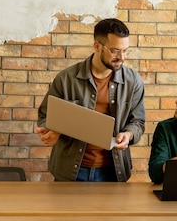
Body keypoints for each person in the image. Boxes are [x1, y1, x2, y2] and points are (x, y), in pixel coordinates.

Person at [36, 18, 145, 182]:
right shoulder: (66, 79)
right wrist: (51, 130)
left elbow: (138, 121)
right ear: (97, 46)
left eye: (126, 51)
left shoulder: (133, 81)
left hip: (113, 171)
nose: (121, 57)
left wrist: (128, 134)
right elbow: (45, 116)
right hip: (71, 171)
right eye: (115, 51)